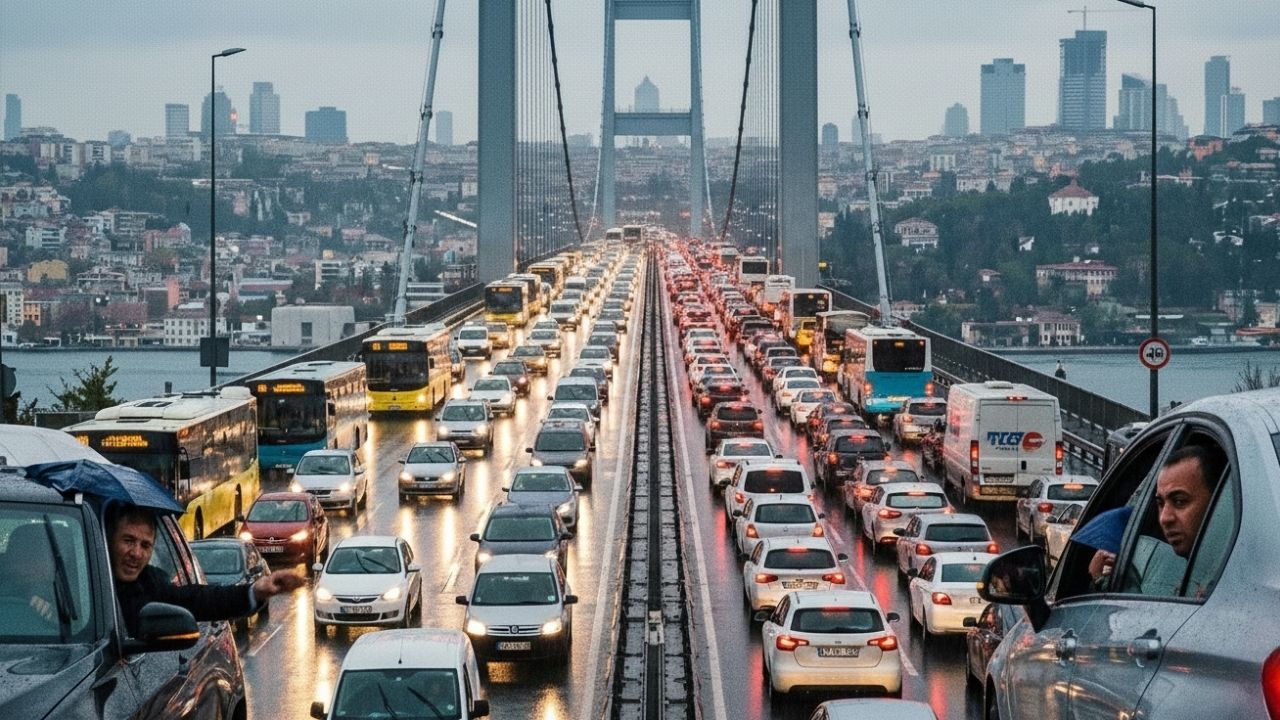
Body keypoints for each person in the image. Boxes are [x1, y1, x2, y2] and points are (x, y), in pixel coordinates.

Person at [108, 504, 306, 637]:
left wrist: (254, 591)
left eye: (145, 545)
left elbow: (200, 599)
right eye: (128, 541)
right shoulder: (90, 583)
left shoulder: (152, 583)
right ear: (108, 540)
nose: (136, 553)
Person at [1080, 445, 1220, 588]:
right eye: (1160, 503)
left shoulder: (1216, 580)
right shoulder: (1210, 573)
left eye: (1179, 501)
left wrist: (1102, 581)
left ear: (1219, 500)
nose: (1164, 518)